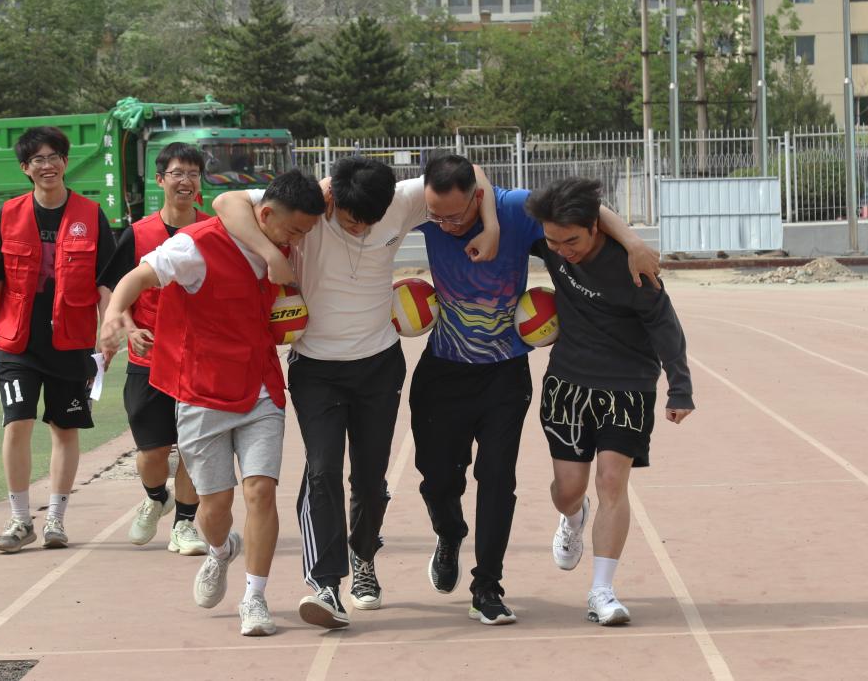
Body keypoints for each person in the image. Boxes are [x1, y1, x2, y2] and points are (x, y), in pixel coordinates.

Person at [211, 157, 500, 629]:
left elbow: (471, 173)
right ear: (332, 202)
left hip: (379, 365)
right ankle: (325, 584)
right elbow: (226, 201)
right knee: (322, 469)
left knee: (369, 478)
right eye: (351, 221)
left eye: (370, 221)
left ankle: (363, 557)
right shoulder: (314, 206)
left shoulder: (403, 200)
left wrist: (490, 226)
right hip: (316, 368)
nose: (361, 229)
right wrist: (271, 253)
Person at [411, 156, 662, 625]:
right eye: (437, 217)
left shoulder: (514, 209)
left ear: (479, 198)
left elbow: (587, 208)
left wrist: (632, 242)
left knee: (497, 479)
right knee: (438, 479)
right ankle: (449, 532)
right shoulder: (424, 208)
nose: (446, 225)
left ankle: (487, 587)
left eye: (456, 217)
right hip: (442, 371)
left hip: (504, 373)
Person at [99, 169, 325, 637]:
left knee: (260, 491)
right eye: (294, 231)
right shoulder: (194, 247)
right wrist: (116, 314)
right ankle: (221, 551)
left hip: (260, 386)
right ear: (266, 215)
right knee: (214, 508)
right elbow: (137, 277)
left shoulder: (282, 240)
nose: (298, 241)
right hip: (202, 393)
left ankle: (255, 598)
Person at [526, 176, 694, 626]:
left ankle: (602, 591)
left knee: (612, 482)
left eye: (572, 241)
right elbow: (504, 202)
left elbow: (666, 326)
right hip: (568, 384)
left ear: (595, 228)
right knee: (568, 491)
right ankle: (573, 517)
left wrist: (680, 388)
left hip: (628, 387)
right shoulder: (550, 243)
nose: (562, 250)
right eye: (553, 242)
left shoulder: (632, 266)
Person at [0, 126, 116, 553]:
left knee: (64, 427)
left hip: (71, 342)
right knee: (17, 422)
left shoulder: (91, 215)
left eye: (54, 157)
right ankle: (20, 520)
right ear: (25, 168)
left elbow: (106, 282)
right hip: (16, 341)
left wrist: (107, 332)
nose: (47, 165)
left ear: (65, 163)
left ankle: (55, 519)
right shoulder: (7, 215)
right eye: (38, 159)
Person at [97, 143, 210, 555]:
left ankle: (184, 524)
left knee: (194, 448)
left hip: (199, 359)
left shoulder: (214, 230)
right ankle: (155, 496)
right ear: (160, 180)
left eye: (193, 173)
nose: (186, 181)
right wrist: (127, 328)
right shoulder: (138, 233)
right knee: (152, 451)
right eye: (178, 173)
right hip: (149, 357)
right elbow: (114, 288)